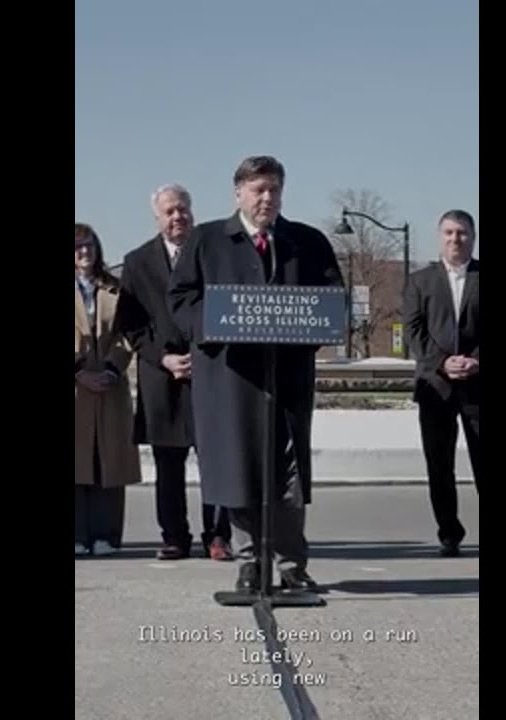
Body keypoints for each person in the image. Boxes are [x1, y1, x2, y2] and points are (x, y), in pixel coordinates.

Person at [168, 155, 344, 592]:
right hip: (230, 377)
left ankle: (291, 565)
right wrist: (218, 321)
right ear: (238, 193)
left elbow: (332, 300)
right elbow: (181, 299)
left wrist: (310, 325)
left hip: (287, 378)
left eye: (274, 190)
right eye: (258, 190)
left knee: (288, 476)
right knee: (238, 468)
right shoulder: (206, 240)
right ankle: (249, 562)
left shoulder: (307, 241)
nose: (267, 198)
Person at [118, 184, 234, 561]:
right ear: (157, 217)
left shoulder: (213, 254)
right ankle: (174, 537)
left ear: (192, 211)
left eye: (182, 209)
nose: (177, 217)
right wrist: (163, 359)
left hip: (210, 370)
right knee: (168, 465)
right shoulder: (136, 262)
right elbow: (132, 326)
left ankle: (217, 537)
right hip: (161, 375)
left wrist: (204, 355)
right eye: (169, 211)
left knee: (216, 459)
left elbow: (227, 309)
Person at [401, 210, 481, 556]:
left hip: (479, 386)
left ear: (473, 237)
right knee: (439, 464)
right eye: (448, 232)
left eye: (462, 233)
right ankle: (449, 531)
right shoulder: (419, 281)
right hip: (435, 386)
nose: (455, 239)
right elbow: (413, 331)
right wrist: (442, 363)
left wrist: (475, 360)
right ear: (439, 237)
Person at [75, 223, 142, 556]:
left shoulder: (115, 288)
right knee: (76, 461)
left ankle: (107, 536)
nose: (84, 252)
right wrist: (79, 374)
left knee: (108, 462)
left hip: (109, 386)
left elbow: (128, 334)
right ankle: (77, 536)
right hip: (77, 389)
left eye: (89, 245)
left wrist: (113, 368)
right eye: (77, 247)